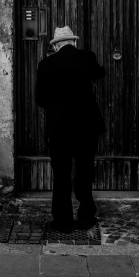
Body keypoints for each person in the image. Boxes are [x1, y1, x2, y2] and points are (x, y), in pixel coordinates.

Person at [35, 25, 105, 233]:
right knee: (84, 171)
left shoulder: (46, 64)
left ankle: (63, 221)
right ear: (74, 42)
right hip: (86, 126)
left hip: (59, 128)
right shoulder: (86, 57)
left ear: (55, 46)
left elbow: (40, 99)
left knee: (62, 175)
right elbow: (100, 73)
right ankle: (85, 217)